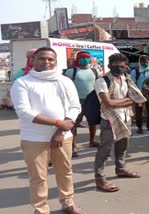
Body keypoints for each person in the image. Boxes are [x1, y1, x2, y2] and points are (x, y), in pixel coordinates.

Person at [10, 47, 85, 214]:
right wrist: (59, 123)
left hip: (63, 137)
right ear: (33, 61)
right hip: (34, 138)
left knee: (65, 172)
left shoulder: (64, 81)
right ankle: (41, 209)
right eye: (42, 59)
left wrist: (60, 131)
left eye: (50, 59)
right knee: (38, 177)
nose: (46, 62)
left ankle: (68, 203)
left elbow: (75, 106)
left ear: (56, 61)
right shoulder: (23, 82)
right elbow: (24, 112)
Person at [94, 53, 146, 192]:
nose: (119, 68)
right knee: (105, 150)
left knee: (123, 146)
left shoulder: (125, 79)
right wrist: (126, 101)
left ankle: (121, 169)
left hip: (125, 117)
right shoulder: (102, 81)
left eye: (122, 66)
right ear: (109, 66)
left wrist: (125, 103)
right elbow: (109, 103)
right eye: (116, 66)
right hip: (109, 119)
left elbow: (135, 97)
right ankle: (100, 178)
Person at [64, 51, 101, 157]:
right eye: (82, 58)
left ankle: (92, 141)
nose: (85, 59)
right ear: (78, 59)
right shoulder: (72, 71)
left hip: (92, 100)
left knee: (92, 122)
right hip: (76, 101)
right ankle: (73, 146)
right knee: (74, 124)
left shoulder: (95, 71)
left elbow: (99, 84)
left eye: (87, 57)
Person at [130, 55, 149, 134]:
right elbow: (132, 84)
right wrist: (138, 94)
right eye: (143, 62)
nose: (145, 63)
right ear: (140, 62)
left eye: (147, 62)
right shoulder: (135, 72)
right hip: (139, 95)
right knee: (139, 112)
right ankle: (139, 127)